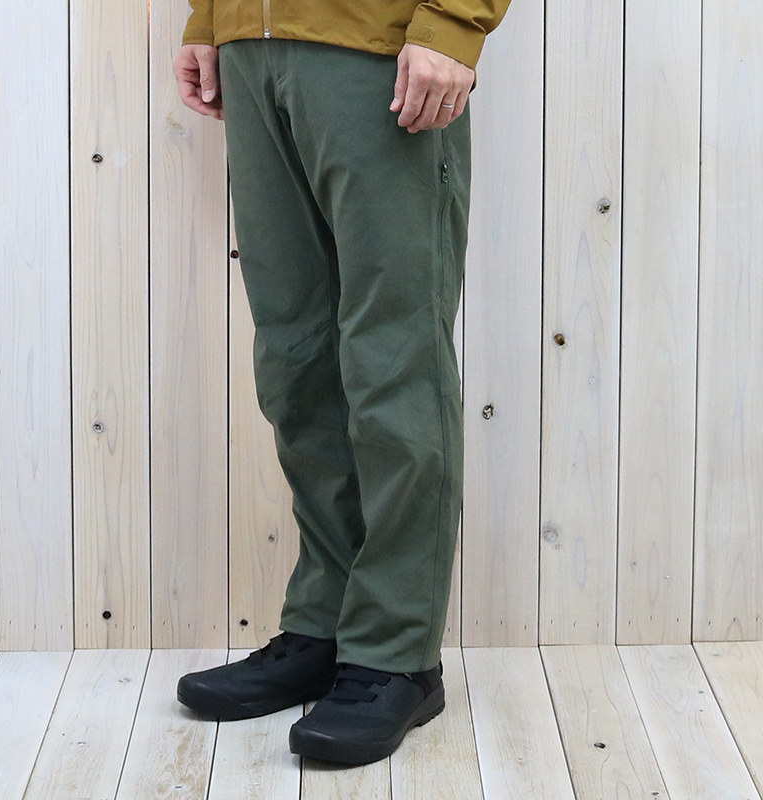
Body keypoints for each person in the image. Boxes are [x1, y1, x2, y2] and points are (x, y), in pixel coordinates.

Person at [173, 0, 511, 766]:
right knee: (296, 359)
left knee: (394, 359)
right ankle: (326, 626)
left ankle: (396, 652)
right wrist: (209, 19)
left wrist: (453, 23)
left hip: (379, 46)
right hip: (252, 47)